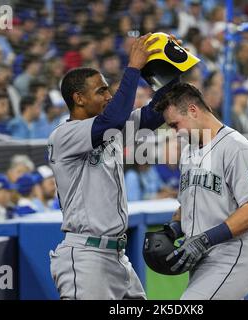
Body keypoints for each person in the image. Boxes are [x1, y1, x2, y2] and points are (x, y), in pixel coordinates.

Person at [48, 33, 182, 300]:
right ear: (79, 98)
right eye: (101, 91)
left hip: (117, 257)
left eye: (108, 89)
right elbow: (113, 119)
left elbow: (159, 110)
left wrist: (165, 62)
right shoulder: (64, 136)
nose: (109, 95)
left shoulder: (111, 128)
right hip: (86, 258)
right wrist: (132, 67)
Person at [153, 83, 248, 300]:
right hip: (202, 259)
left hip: (233, 253)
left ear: (193, 110)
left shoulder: (237, 147)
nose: (174, 132)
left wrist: (205, 239)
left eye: (175, 125)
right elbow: (189, 205)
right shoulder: (189, 151)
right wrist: (173, 229)